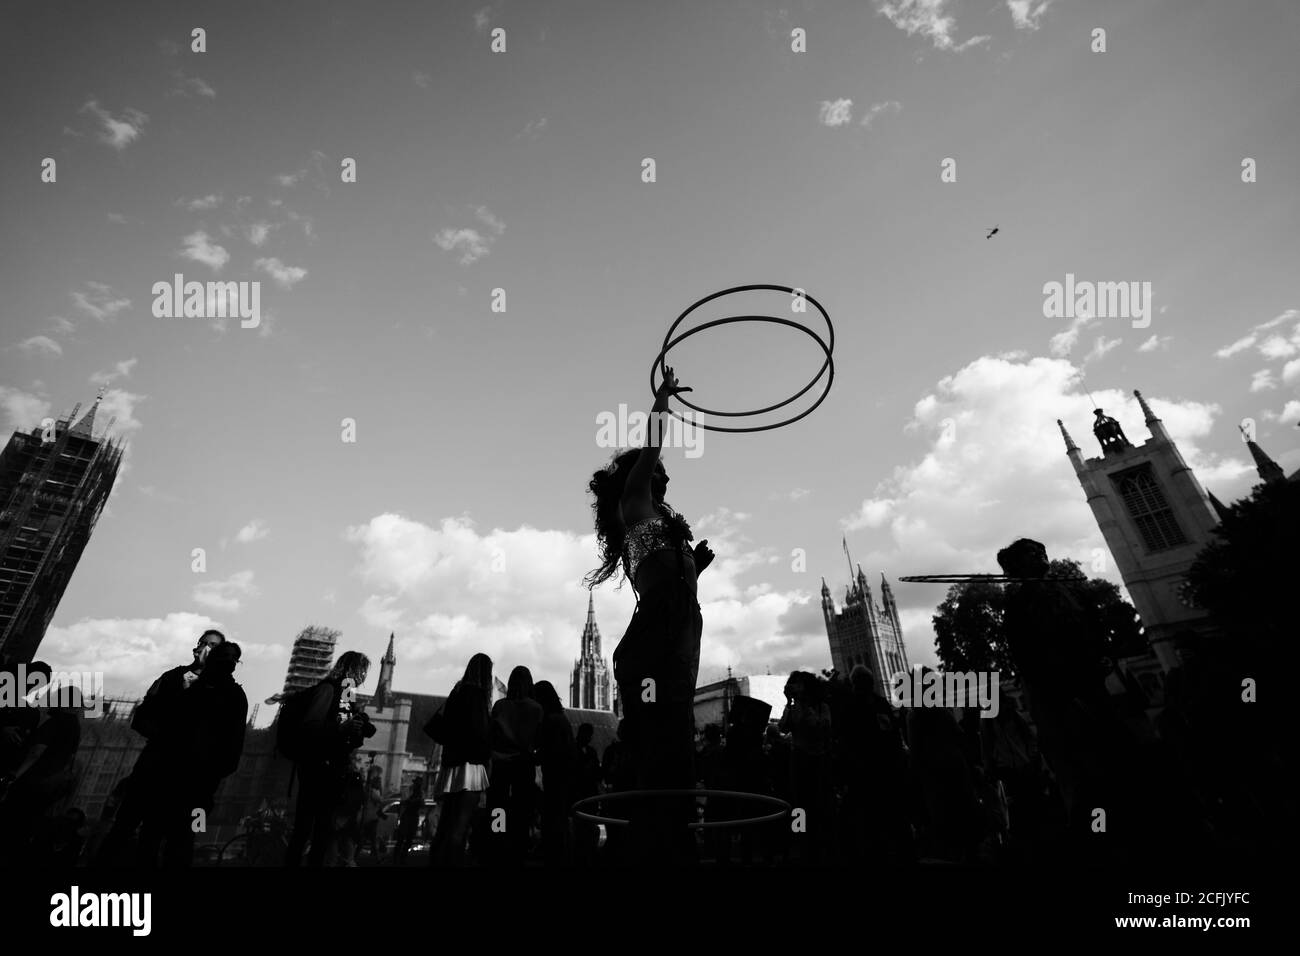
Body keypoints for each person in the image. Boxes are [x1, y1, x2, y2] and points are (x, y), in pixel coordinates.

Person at [585, 365, 714, 863]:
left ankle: (670, 834)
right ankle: (658, 839)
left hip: (681, 619)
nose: (665, 473)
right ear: (641, 472)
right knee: (664, 733)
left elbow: (669, 573)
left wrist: (694, 565)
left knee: (676, 729)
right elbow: (654, 443)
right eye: (657, 468)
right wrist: (663, 400)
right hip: (661, 625)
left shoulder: (658, 515)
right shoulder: (635, 497)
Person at [94, 629, 226, 867]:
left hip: (186, 777)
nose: (207, 649)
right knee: (124, 826)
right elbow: (141, 716)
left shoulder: (222, 689)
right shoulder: (171, 677)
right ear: (195, 646)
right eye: (204, 643)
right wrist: (165, 734)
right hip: (152, 767)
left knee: (159, 836)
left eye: (214, 646)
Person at [142, 640, 248, 867]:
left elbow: (235, 740)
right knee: (154, 830)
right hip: (171, 775)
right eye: (225, 655)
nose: (229, 661)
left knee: (186, 835)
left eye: (234, 658)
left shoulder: (235, 696)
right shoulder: (193, 690)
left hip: (202, 784)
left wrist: (216, 772)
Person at [284, 651, 375, 866]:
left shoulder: (347, 693)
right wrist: (342, 727)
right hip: (316, 766)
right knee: (305, 827)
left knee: (324, 829)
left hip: (335, 768)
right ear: (350, 669)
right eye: (361, 670)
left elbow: (345, 733)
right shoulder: (328, 689)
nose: (363, 676)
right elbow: (310, 726)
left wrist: (357, 729)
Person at [428, 653, 493, 867]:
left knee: (446, 825)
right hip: (471, 767)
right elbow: (481, 733)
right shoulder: (477, 695)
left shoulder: (456, 692)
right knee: (460, 828)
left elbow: (441, 726)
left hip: (451, 766)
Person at [487, 665, 543, 865]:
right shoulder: (536, 708)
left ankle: (496, 842)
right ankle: (518, 848)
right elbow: (538, 741)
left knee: (498, 807)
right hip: (523, 764)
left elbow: (491, 737)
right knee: (521, 809)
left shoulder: (500, 706)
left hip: (501, 764)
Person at [534, 680, 574, 867]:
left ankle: (555, 855)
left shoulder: (551, 720)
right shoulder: (562, 718)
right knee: (558, 818)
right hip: (563, 776)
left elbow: (550, 751)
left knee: (553, 819)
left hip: (555, 776)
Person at [572, 722, 602, 865]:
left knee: (584, 828)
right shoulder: (585, 752)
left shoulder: (586, 751)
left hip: (586, 794)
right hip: (583, 793)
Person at [392, 777, 425, 865]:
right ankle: (396, 857)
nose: (418, 785)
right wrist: (412, 801)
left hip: (414, 816)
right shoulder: (408, 790)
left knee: (409, 839)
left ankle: (403, 857)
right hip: (407, 815)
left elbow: (422, 804)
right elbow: (404, 802)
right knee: (401, 838)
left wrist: (419, 801)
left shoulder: (421, 792)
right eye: (417, 783)